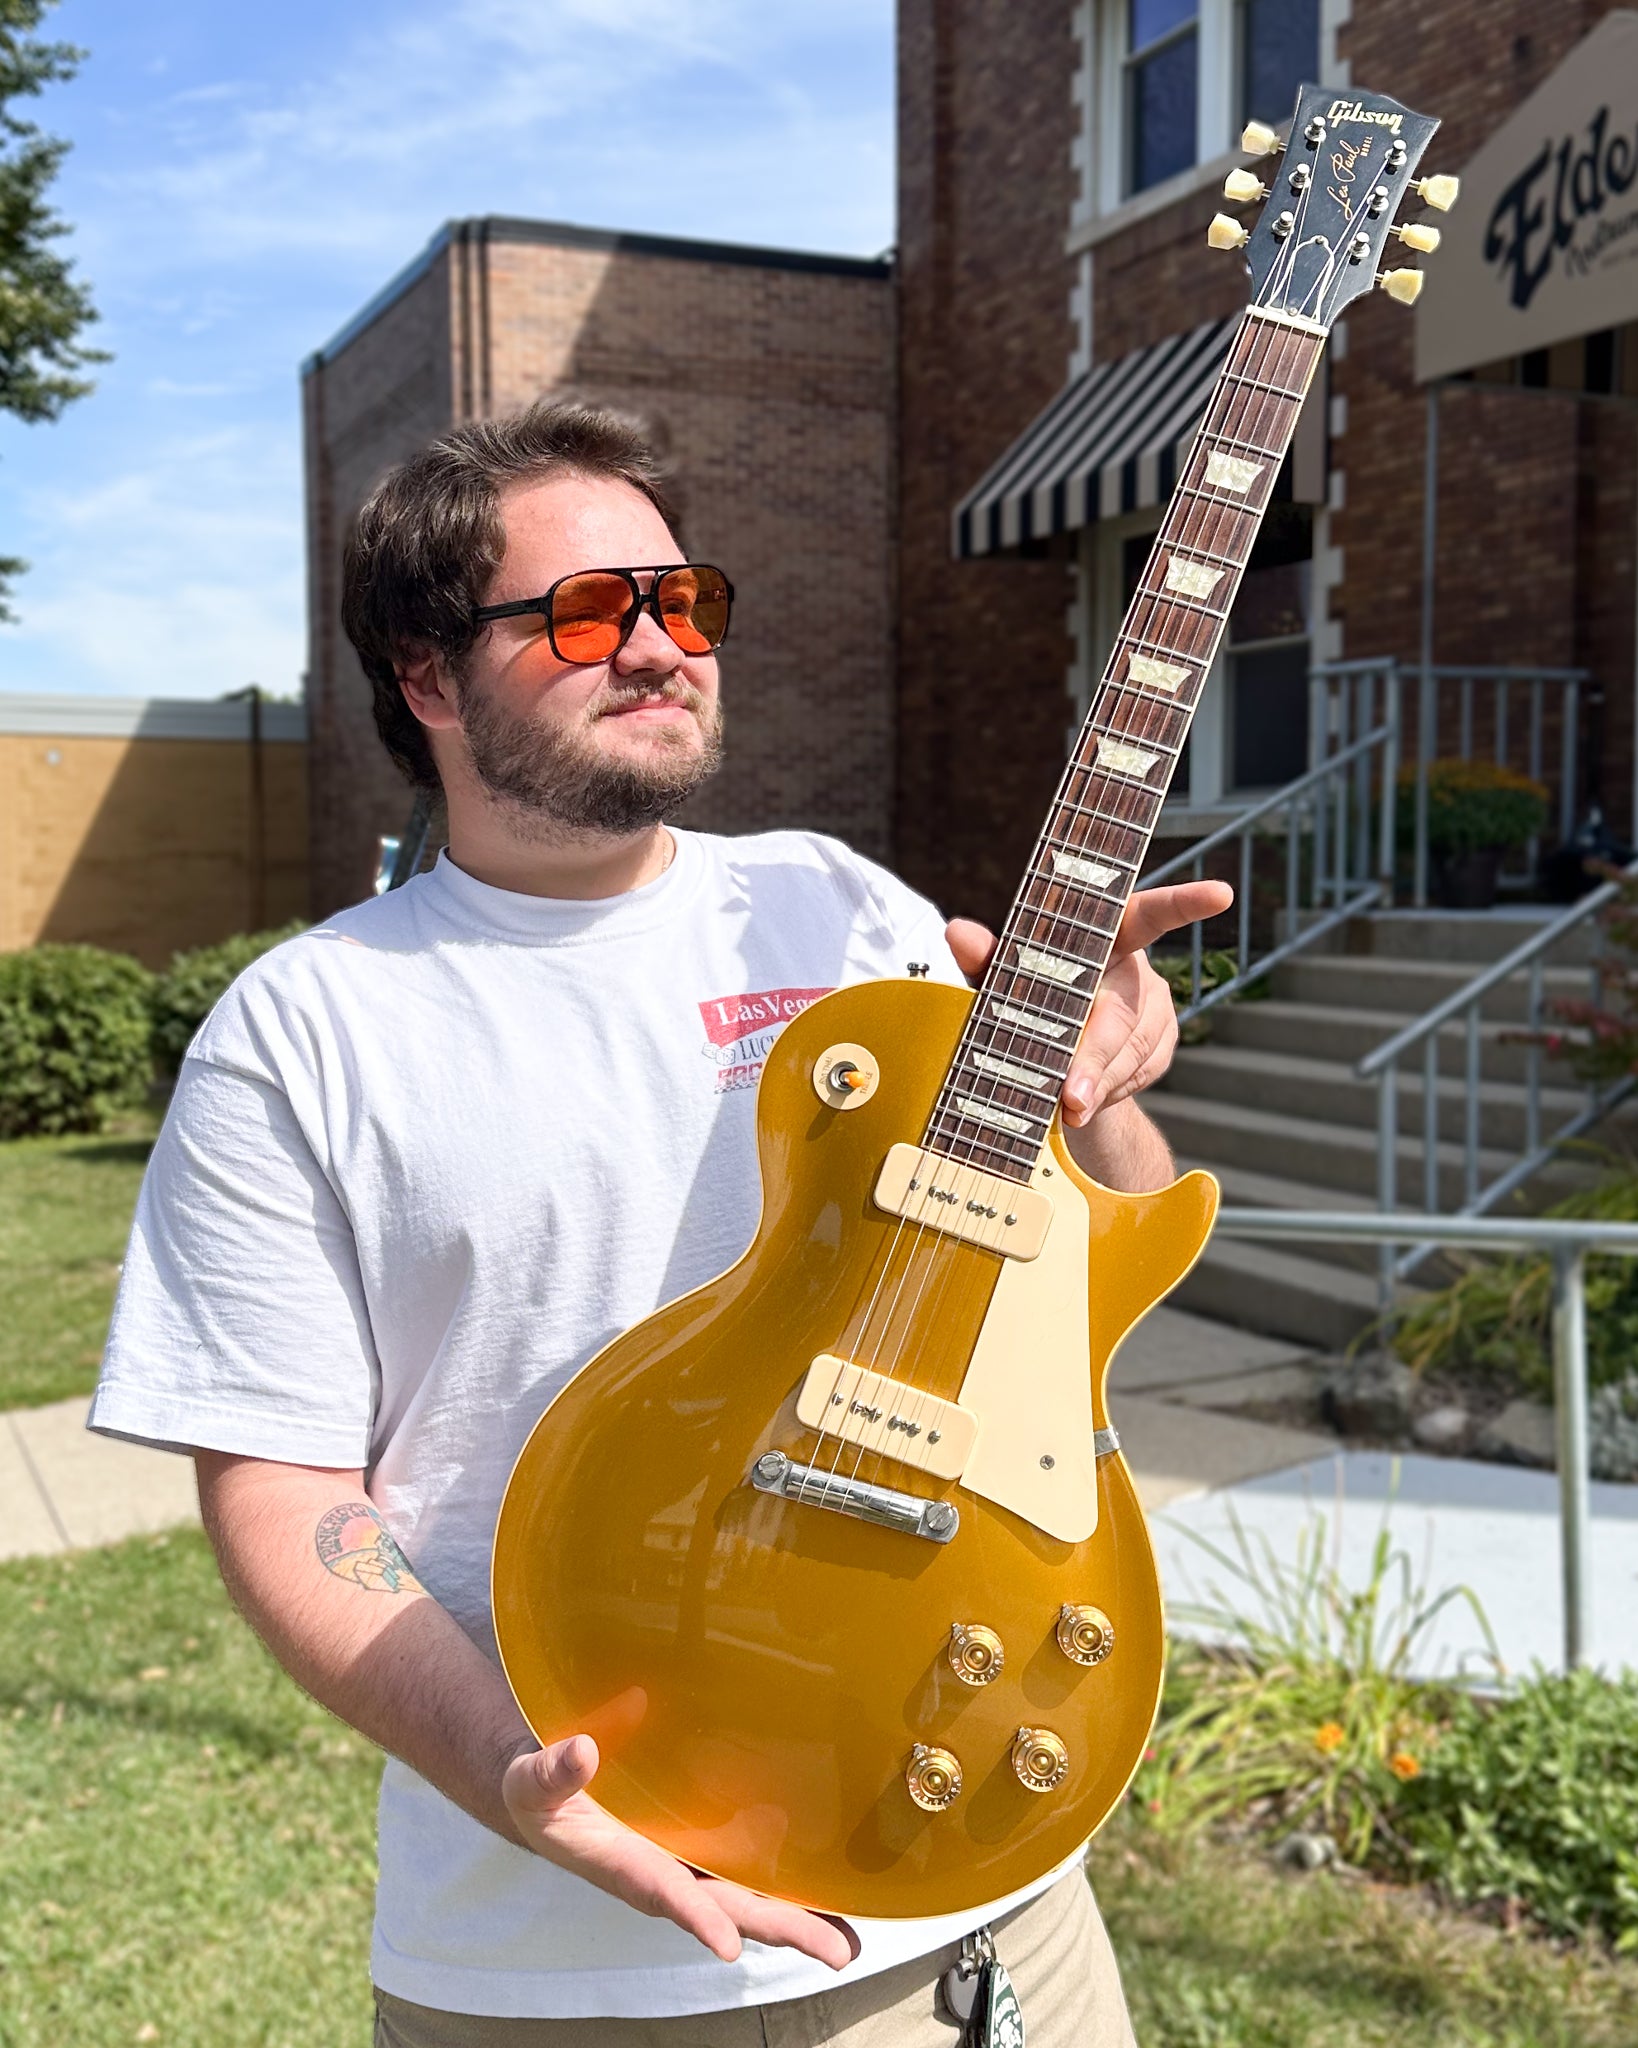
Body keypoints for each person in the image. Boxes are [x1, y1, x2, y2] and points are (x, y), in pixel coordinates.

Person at [89, 400, 1231, 2047]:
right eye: (583, 614)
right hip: (565, 1966)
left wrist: (1101, 1079)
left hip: (985, 1887)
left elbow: (1100, 1238)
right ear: (426, 677)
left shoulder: (842, 903)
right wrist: (507, 1773)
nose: (657, 648)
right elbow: (280, 1490)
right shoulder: (306, 1030)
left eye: (683, 604)